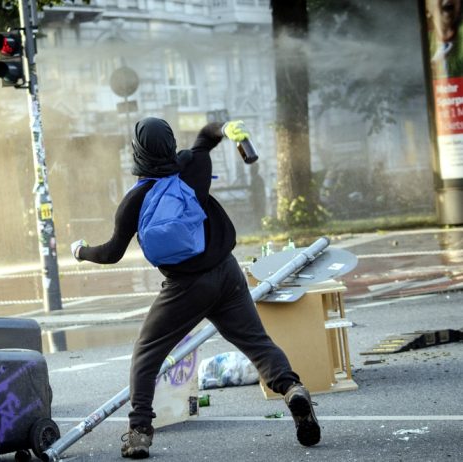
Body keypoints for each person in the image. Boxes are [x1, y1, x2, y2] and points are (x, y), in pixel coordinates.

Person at [70, 117, 320, 459]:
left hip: (184, 288)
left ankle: (139, 431)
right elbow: (207, 135)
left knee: (147, 353)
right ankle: (292, 390)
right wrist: (228, 127)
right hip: (227, 273)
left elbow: (111, 253)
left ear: (139, 151)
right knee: (257, 343)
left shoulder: (135, 199)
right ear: (171, 145)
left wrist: (81, 252)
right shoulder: (192, 165)